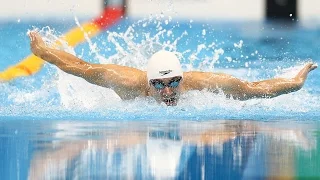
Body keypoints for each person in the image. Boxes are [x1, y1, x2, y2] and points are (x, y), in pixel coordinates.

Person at [29, 31, 317, 106]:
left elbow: (254, 89)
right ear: (148, 81)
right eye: (158, 84)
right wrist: (42, 51)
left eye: (173, 83)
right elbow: (79, 66)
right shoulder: (125, 81)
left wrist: (296, 82)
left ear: (182, 78)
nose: (167, 91)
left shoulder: (199, 83)